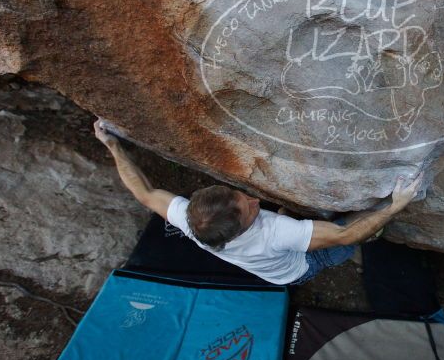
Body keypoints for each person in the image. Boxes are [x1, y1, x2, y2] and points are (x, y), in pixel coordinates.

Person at [93, 119, 423, 285]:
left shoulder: (193, 220)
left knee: (301, 223)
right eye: (252, 208)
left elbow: (145, 193)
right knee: (354, 226)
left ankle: (307, 220)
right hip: (300, 269)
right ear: (243, 230)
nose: (254, 199)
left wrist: (112, 146)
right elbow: (343, 236)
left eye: (244, 196)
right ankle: (377, 231)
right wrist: (395, 205)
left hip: (271, 257)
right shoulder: (276, 234)